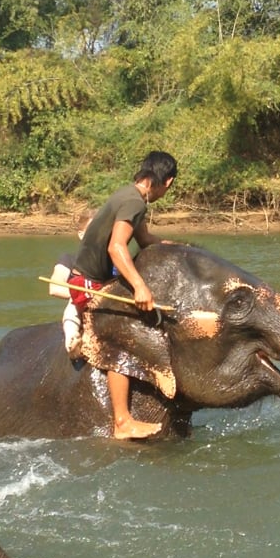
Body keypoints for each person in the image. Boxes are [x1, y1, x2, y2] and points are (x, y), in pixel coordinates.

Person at [66, 150, 178, 440]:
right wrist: (140, 286)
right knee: (124, 336)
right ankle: (122, 421)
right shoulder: (133, 202)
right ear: (168, 181)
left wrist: (175, 247)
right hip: (88, 284)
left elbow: (144, 240)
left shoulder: (131, 196)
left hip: (94, 278)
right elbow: (117, 248)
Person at [48, 208, 95, 350]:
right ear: (81, 234)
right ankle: (72, 338)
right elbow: (54, 287)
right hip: (80, 305)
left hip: (108, 304)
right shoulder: (69, 260)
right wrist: (87, 294)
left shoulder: (115, 261)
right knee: (73, 302)